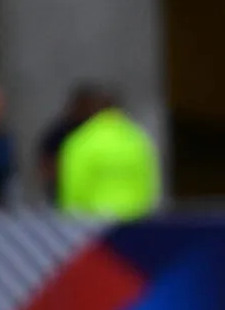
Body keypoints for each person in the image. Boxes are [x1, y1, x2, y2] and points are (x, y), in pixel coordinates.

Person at [57, 90, 160, 222]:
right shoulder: (138, 139)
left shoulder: (81, 141)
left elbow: (74, 187)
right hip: (135, 218)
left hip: (94, 221)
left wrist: (70, 217)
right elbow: (149, 181)